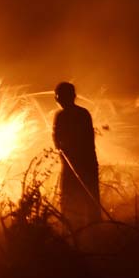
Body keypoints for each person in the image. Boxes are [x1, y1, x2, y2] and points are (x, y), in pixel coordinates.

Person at [52, 81, 101, 227]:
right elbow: (57, 138)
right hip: (81, 165)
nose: (59, 99)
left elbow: (59, 138)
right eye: (59, 96)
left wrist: (67, 153)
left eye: (61, 96)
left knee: (81, 201)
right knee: (81, 201)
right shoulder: (82, 114)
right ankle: (81, 230)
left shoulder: (66, 116)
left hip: (81, 165)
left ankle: (89, 231)